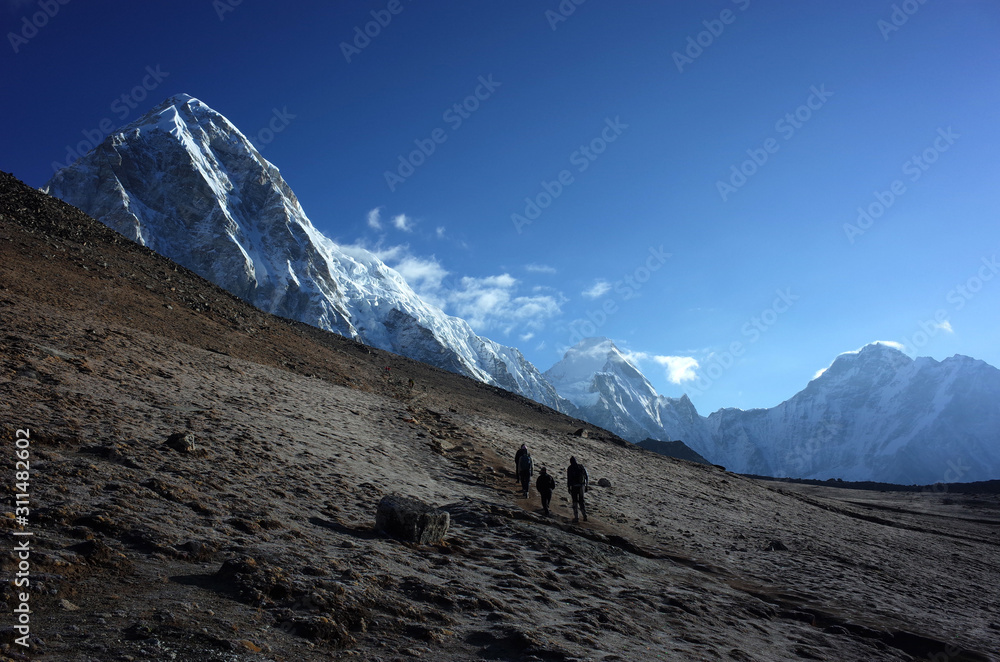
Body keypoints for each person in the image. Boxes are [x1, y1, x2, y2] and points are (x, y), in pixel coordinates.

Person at [567, 456, 589, 523]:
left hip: (574, 486)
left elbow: (569, 479)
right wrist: (586, 486)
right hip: (581, 486)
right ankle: (584, 515)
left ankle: (576, 517)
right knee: (581, 501)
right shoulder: (581, 466)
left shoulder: (570, 468)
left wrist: (569, 487)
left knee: (575, 501)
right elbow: (586, 476)